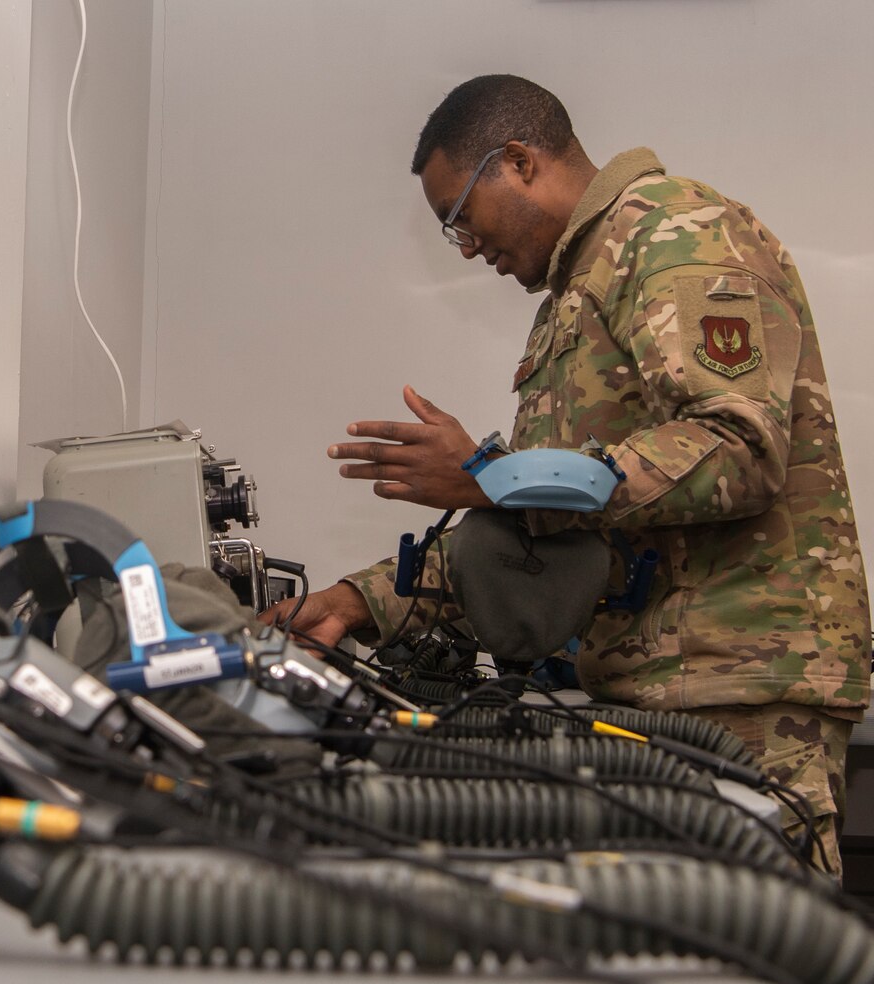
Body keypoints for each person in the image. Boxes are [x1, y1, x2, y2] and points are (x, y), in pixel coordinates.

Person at [264, 74, 870, 872]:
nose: (468, 247)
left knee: (756, 962)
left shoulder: (676, 234)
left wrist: (491, 477)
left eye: (459, 219)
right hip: (652, 699)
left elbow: (739, 450)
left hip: (738, 691)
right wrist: (359, 603)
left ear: (517, 160)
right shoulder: (572, 300)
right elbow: (541, 529)